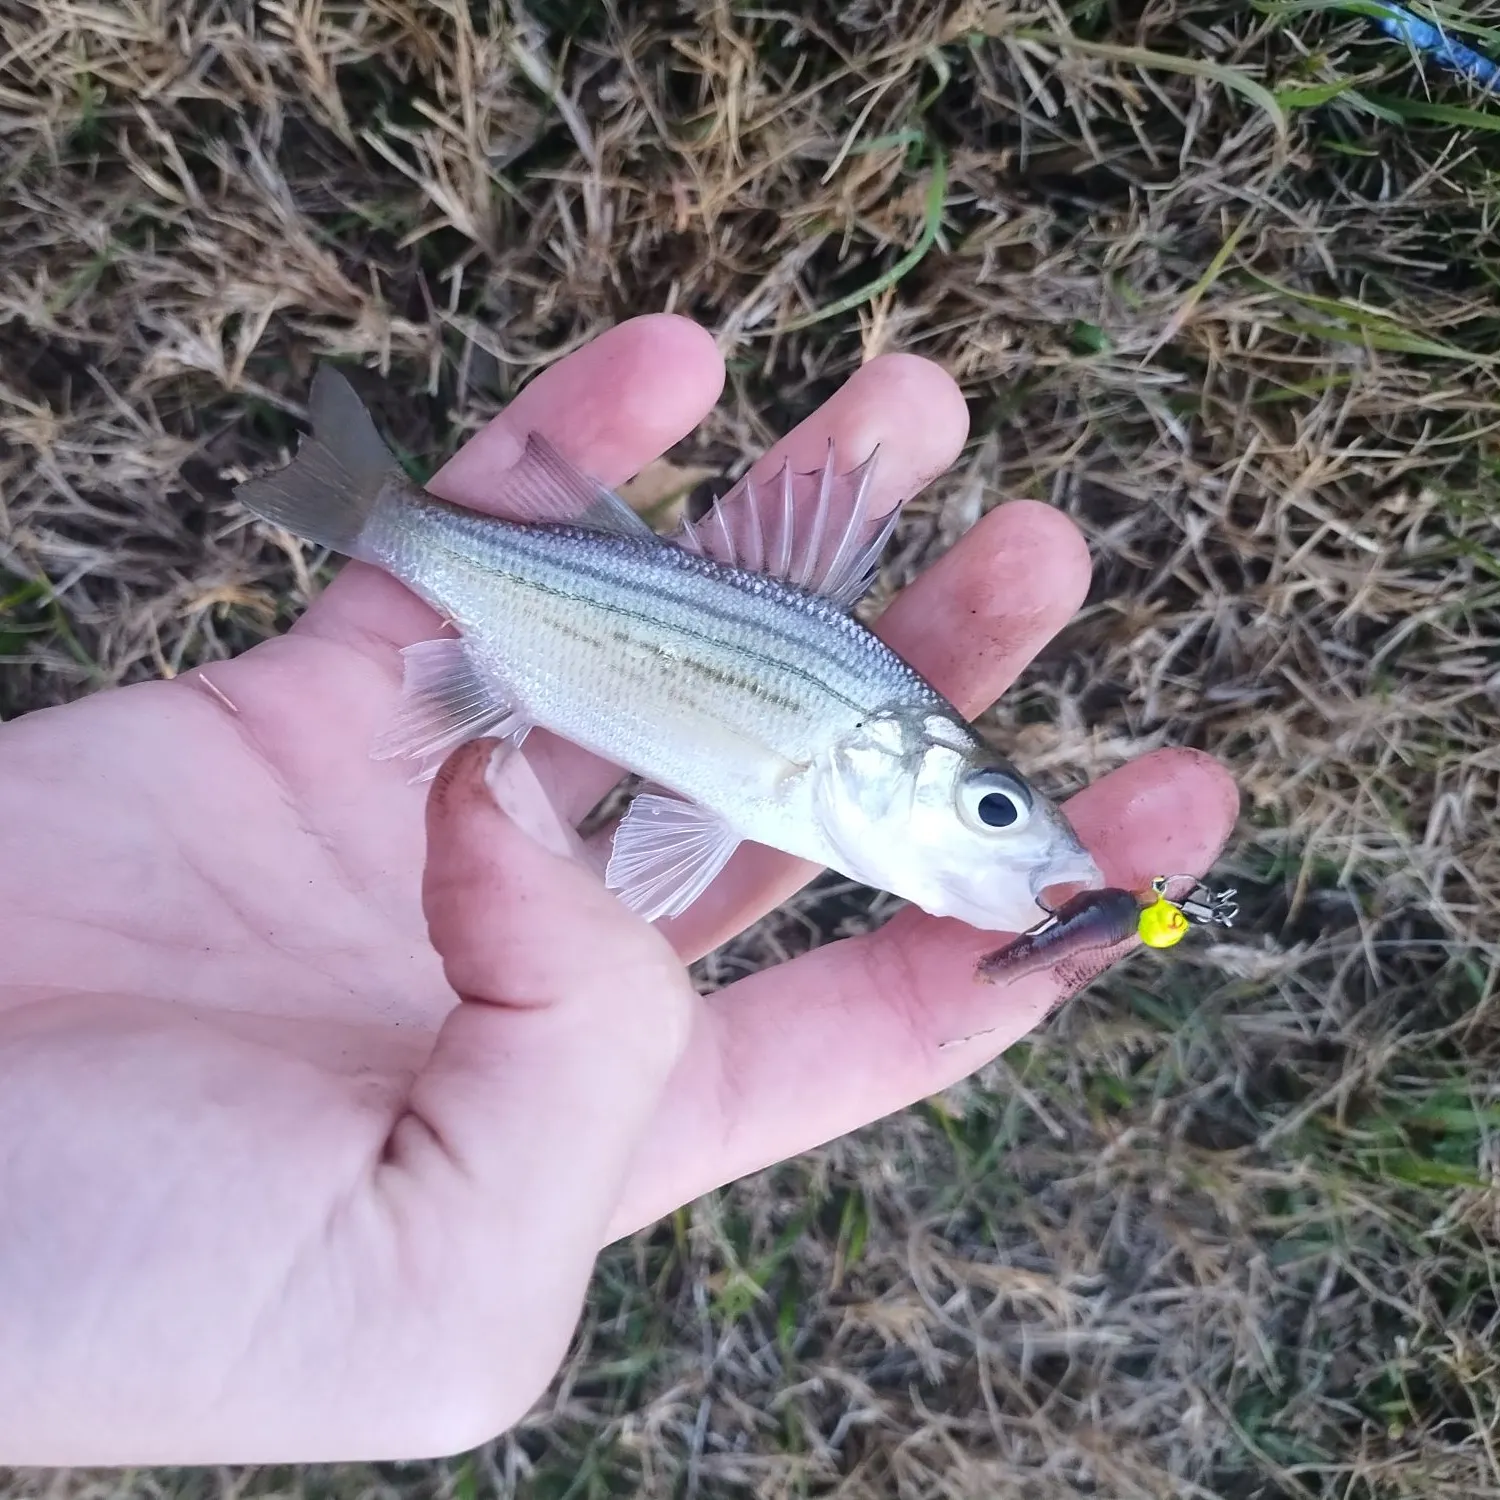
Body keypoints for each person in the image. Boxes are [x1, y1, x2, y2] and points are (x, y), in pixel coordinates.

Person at [0, 315, 1236, 1466]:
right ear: (883, 759)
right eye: (994, 808)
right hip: (528, 619)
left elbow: (679, 834)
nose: (1019, 848)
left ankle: (366, 500)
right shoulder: (819, 753)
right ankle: (370, 505)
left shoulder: (828, 781)